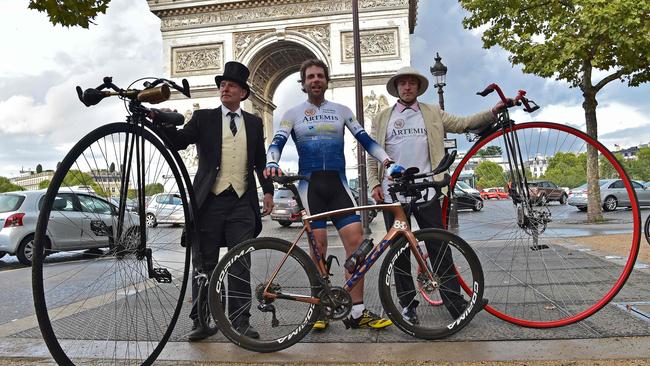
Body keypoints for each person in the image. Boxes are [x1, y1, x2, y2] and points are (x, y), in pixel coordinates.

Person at [264, 59, 397, 330]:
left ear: (327, 80)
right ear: (303, 83)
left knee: (357, 246)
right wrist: (272, 162)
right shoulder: (292, 113)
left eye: (320, 76)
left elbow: (367, 141)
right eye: (310, 76)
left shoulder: (342, 110)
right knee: (319, 248)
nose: (315, 80)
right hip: (310, 187)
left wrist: (388, 162)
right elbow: (276, 142)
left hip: (338, 185)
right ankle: (320, 310)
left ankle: (357, 311)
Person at [367, 66, 503, 324]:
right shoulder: (382, 116)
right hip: (393, 194)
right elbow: (373, 152)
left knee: (440, 248)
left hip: (427, 189)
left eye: (411, 83)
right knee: (400, 253)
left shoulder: (432, 112)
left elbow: (463, 124)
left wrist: (492, 112)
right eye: (402, 83)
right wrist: (374, 182)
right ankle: (407, 306)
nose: (407, 87)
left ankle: (456, 304)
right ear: (396, 88)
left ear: (418, 87)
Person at [161, 61, 274, 341]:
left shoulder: (254, 122)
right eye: (222, 85)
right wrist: (162, 123)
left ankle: (240, 322)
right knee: (205, 264)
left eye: (231, 85)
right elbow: (179, 142)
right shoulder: (203, 118)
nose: (225, 88)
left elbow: (260, 161)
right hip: (208, 202)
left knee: (240, 263)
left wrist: (268, 190)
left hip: (241, 202)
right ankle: (201, 320)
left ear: (243, 93)